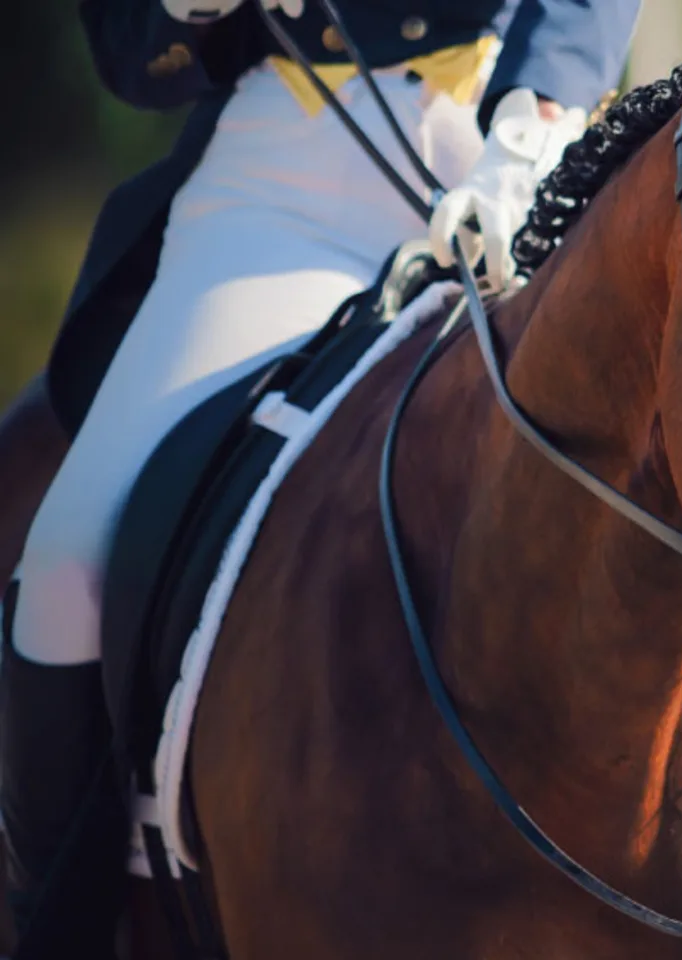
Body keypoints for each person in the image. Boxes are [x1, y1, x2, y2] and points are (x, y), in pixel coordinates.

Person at [0, 0, 638, 954]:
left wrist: (536, 124)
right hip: (284, 179)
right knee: (64, 567)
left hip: (526, 136)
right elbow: (130, 48)